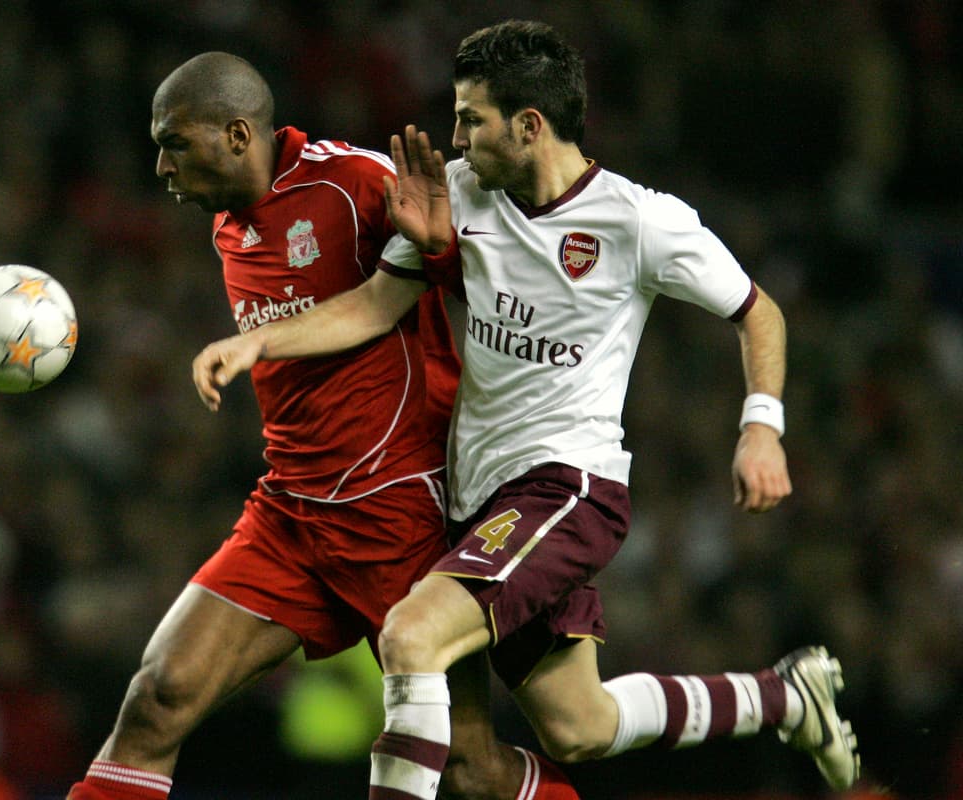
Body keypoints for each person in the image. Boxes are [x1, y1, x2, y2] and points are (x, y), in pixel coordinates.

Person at [191, 20, 861, 799]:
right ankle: (784, 697)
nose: (457, 136)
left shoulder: (640, 221)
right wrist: (260, 344)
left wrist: (761, 428)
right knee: (581, 725)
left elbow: (759, 312)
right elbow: (377, 303)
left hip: (564, 489)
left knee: (412, 634)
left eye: (471, 119)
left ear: (530, 125)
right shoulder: (461, 194)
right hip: (479, 502)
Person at [67, 51, 578, 800]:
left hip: (402, 512)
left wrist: (441, 249)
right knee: (158, 699)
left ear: (238, 136)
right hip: (291, 514)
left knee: (469, 770)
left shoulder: (356, 183)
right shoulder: (227, 227)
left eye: (174, 142)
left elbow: (496, 282)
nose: (160, 167)